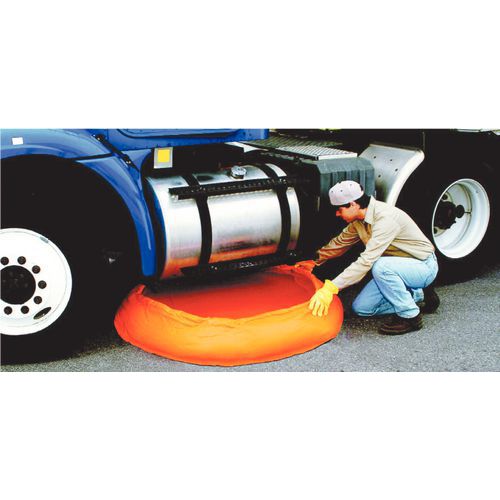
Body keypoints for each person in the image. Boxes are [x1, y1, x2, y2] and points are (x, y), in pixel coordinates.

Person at [302, 180, 440, 334]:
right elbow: (339, 244)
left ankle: (410, 316)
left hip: (423, 266)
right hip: (397, 268)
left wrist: (330, 288)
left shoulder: (385, 219)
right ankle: (418, 293)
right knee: (362, 309)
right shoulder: (358, 221)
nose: (337, 214)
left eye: (339, 210)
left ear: (353, 204)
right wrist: (313, 261)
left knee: (380, 266)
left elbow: (366, 261)